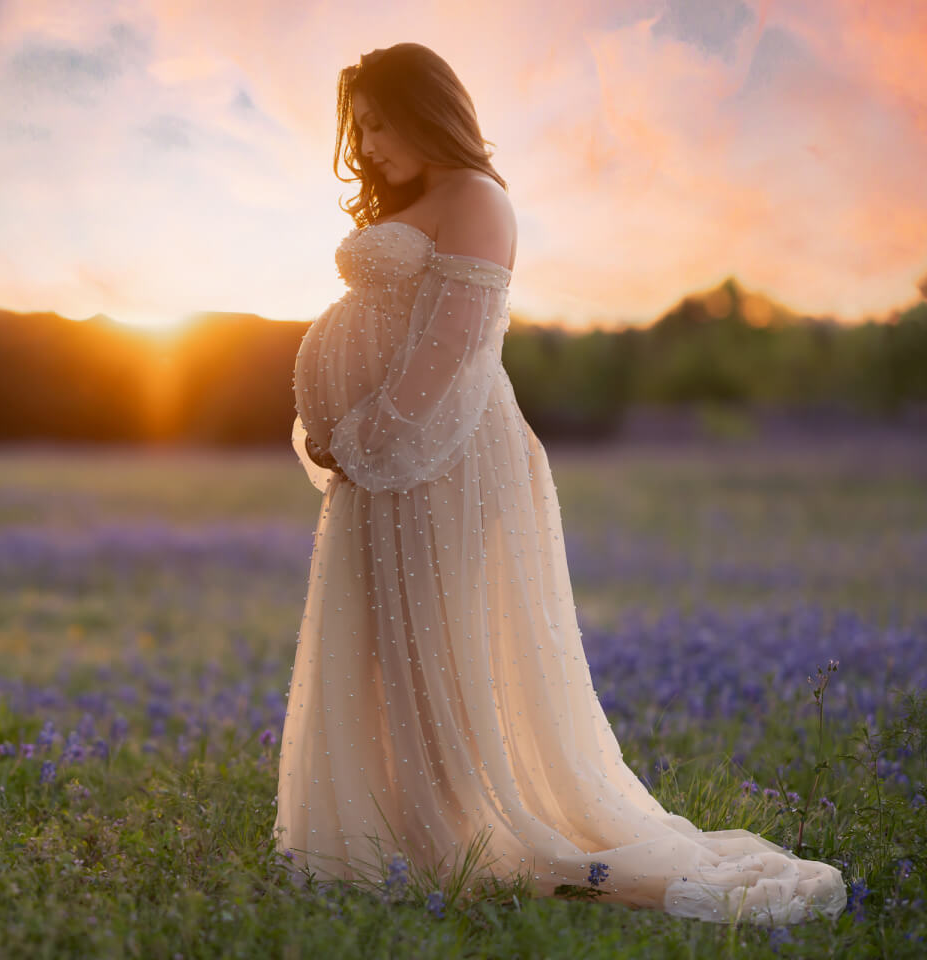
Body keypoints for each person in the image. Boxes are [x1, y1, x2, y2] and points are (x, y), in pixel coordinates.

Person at [273, 42, 846, 927]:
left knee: (436, 643)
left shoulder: (477, 199)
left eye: (383, 123)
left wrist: (363, 434)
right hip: (380, 462)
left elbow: (453, 346)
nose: (371, 144)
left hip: (441, 457)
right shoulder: (420, 201)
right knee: (388, 644)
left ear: (431, 113)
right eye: (363, 129)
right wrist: (335, 429)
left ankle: (463, 829)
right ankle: (408, 826)